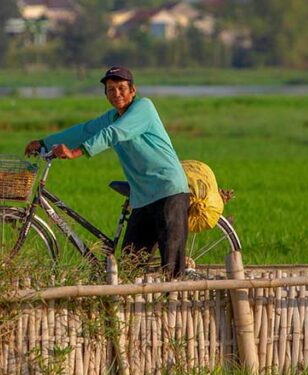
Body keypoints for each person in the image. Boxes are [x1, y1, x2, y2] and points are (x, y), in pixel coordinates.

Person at [24, 66, 190, 277]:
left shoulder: (144, 108)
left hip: (168, 191)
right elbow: (84, 130)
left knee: (172, 266)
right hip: (142, 197)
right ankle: (136, 308)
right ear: (106, 95)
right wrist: (44, 143)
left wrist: (75, 153)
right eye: (111, 90)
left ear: (133, 90)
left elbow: (114, 133)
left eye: (121, 88)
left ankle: (173, 307)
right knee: (131, 265)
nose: (116, 94)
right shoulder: (112, 116)